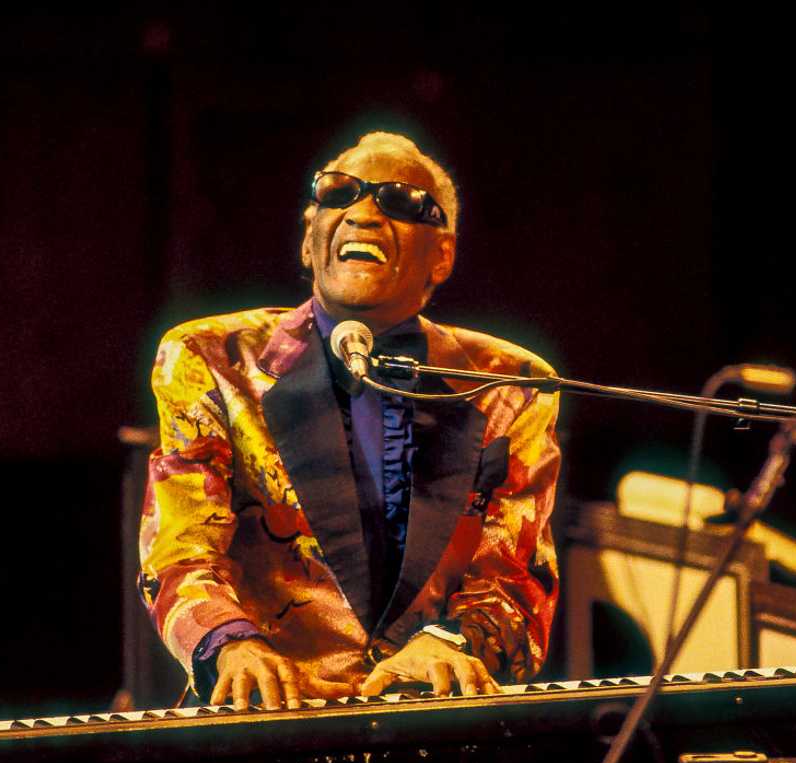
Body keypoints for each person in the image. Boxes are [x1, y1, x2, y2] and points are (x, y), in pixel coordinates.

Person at [138, 132, 561, 710]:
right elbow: (181, 552)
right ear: (310, 242)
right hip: (265, 723)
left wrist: (446, 643)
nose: (363, 212)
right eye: (338, 194)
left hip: (436, 728)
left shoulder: (507, 384)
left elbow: (514, 575)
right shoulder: (212, 359)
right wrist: (231, 644)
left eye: (401, 202)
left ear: (443, 254)